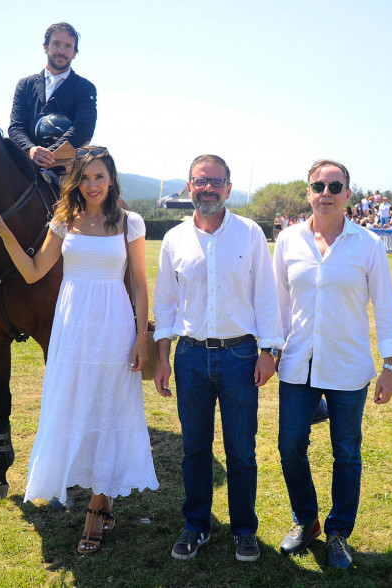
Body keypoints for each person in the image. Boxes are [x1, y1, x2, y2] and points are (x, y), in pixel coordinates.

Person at [0, 147, 158, 554]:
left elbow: (139, 284)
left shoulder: (130, 222)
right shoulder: (63, 221)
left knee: (111, 407)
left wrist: (138, 336)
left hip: (114, 324)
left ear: (111, 178)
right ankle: (100, 491)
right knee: (76, 404)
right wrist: (6, 232)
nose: (93, 185)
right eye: (85, 178)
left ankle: (98, 508)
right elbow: (32, 271)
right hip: (72, 326)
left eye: (100, 176)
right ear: (75, 181)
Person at [273, 159, 392, 570]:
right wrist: (270, 350)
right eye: (318, 186)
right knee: (290, 446)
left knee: (346, 452)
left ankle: (339, 533)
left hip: (348, 368)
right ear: (308, 193)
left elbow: (385, 306)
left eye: (335, 186)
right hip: (297, 364)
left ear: (348, 194)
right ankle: (307, 520)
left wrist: (391, 366)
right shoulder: (288, 240)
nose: (325, 193)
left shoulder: (368, 244)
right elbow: (277, 304)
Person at [153, 154, 283, 563]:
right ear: (188, 187)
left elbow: (267, 295)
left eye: (215, 181)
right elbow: (167, 303)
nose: (207, 188)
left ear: (228, 188)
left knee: (241, 450)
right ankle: (196, 526)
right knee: (194, 449)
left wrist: (269, 351)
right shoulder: (175, 239)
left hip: (241, 356)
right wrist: (163, 357)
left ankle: (245, 530)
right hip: (190, 357)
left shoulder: (249, 234)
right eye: (199, 181)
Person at [8, 22, 97, 170]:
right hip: (25, 167)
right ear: (45, 47)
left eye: (68, 46)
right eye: (56, 44)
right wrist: (30, 150)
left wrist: (49, 154)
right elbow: (16, 127)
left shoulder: (85, 88)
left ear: (75, 52)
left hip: (66, 171)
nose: (61, 50)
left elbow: (83, 128)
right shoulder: (25, 85)